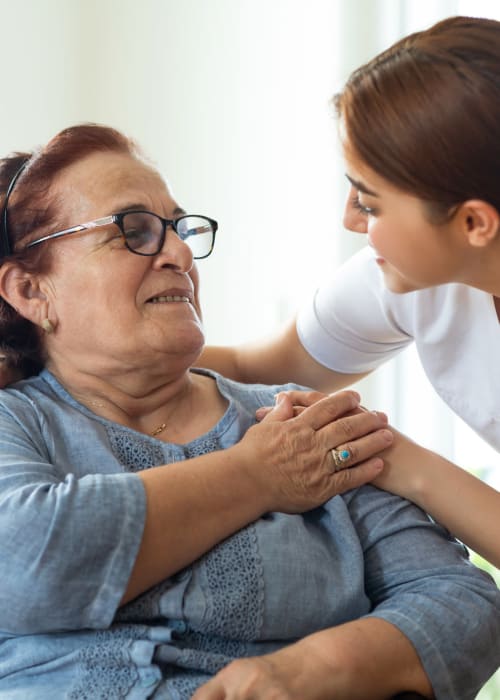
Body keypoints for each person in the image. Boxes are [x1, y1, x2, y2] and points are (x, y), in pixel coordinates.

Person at [0, 124, 498, 700]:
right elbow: (23, 561)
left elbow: (459, 599)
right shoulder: (17, 420)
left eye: (181, 230)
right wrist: (259, 475)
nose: (182, 254)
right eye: (133, 231)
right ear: (31, 292)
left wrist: (310, 670)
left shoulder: (303, 421)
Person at [198, 15, 500, 570]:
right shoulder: (408, 277)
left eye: (371, 202)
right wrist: (42, 355)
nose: (350, 220)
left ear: (475, 224)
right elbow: (252, 365)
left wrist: (397, 460)